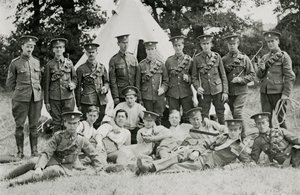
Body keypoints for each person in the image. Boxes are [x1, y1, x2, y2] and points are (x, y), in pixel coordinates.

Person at [2, 111, 106, 186]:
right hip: (54, 159)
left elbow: (94, 155)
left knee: (53, 170)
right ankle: (6, 177)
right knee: (33, 161)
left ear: (78, 124)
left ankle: (18, 183)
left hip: (66, 167)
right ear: (65, 123)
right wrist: (40, 167)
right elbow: (47, 152)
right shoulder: (58, 136)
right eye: (69, 123)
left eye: (75, 124)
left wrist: (99, 169)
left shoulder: (81, 139)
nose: (72, 126)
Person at [136, 118, 254, 174]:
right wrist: (197, 151)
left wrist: (231, 167)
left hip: (206, 162)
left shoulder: (240, 148)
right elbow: (206, 142)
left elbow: (248, 163)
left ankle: (150, 171)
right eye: (230, 129)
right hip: (200, 152)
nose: (232, 132)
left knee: (179, 166)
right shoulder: (223, 136)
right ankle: (150, 166)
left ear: (240, 130)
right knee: (177, 156)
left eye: (235, 130)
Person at [6, 35, 42, 158]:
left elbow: (39, 80)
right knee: (20, 125)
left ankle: (34, 151)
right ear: (22, 47)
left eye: (32, 47)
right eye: (27, 46)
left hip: (35, 99)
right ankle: (20, 152)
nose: (29, 49)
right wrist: (18, 93)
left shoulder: (36, 62)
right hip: (20, 99)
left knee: (34, 125)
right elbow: (9, 83)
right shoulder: (15, 63)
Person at [256, 31, 295, 129]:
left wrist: (286, 94)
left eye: (272, 41)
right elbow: (259, 76)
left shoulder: (284, 57)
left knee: (281, 120)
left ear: (278, 41)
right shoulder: (265, 58)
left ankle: (287, 141)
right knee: (266, 120)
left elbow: (289, 76)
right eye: (268, 42)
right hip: (264, 93)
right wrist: (262, 69)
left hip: (278, 93)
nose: (270, 44)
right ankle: (269, 141)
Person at [222, 33, 255, 137]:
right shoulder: (224, 60)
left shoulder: (244, 58)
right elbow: (222, 76)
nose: (232, 46)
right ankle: (237, 136)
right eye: (230, 44)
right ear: (227, 45)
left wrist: (241, 79)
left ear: (238, 44)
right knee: (234, 114)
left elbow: (252, 75)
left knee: (237, 111)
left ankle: (243, 135)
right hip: (230, 92)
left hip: (242, 91)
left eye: (234, 43)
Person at [192, 34, 228, 124]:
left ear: (211, 44)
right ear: (201, 45)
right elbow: (194, 77)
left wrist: (225, 92)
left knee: (220, 113)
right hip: (204, 91)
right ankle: (207, 134)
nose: (206, 46)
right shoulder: (196, 59)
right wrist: (197, 87)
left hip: (217, 90)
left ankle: (223, 132)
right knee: (204, 114)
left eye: (207, 43)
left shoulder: (217, 56)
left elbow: (223, 75)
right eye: (204, 44)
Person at [44, 38, 77, 132]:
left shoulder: (69, 63)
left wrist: (73, 84)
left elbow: (74, 78)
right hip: (54, 98)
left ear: (64, 49)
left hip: (68, 98)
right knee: (57, 123)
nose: (58, 49)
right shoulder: (49, 65)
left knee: (68, 121)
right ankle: (57, 144)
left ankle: (67, 144)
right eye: (56, 47)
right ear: (53, 50)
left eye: (60, 47)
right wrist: (46, 102)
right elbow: (46, 85)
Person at [75, 43, 109, 128]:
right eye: (89, 52)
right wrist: (78, 104)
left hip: (101, 99)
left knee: (99, 119)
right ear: (86, 53)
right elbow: (78, 88)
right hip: (88, 100)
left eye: (93, 52)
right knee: (87, 121)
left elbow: (107, 82)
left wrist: (105, 88)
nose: (91, 54)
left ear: (97, 52)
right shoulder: (81, 69)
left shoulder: (101, 67)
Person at [136, 41, 169, 124]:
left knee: (158, 119)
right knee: (148, 119)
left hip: (158, 97)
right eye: (148, 49)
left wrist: (163, 88)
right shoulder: (141, 65)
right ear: (146, 50)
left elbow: (166, 81)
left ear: (155, 50)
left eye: (152, 49)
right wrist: (140, 99)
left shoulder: (161, 65)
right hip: (146, 97)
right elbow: (137, 84)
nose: (150, 51)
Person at [165, 35, 194, 122]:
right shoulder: (169, 61)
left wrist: (188, 78)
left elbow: (195, 77)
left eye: (179, 45)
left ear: (183, 46)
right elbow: (165, 78)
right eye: (175, 46)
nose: (177, 48)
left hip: (185, 92)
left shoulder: (189, 60)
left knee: (188, 116)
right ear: (173, 47)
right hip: (172, 93)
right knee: (174, 117)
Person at [109, 34, 139, 105]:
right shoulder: (114, 60)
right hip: (121, 95)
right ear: (118, 44)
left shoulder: (133, 58)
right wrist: (115, 97)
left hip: (133, 95)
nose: (125, 45)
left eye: (127, 42)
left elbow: (137, 78)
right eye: (123, 43)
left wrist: (138, 95)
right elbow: (112, 80)